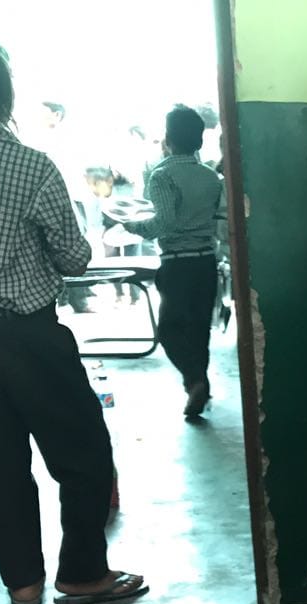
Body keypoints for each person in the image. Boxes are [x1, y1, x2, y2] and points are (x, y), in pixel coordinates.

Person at [0, 31, 146, 604]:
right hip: (26, 328)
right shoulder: (29, 164)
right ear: (2, 88)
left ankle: (24, 584)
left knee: (0, 460)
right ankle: (83, 572)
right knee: (84, 451)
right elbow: (73, 256)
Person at [124, 104, 223, 418]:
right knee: (198, 330)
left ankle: (195, 381)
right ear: (200, 140)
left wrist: (131, 226)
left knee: (168, 330)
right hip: (206, 261)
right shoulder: (212, 177)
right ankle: (199, 384)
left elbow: (163, 223)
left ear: (168, 139)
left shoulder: (162, 175)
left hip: (177, 263)